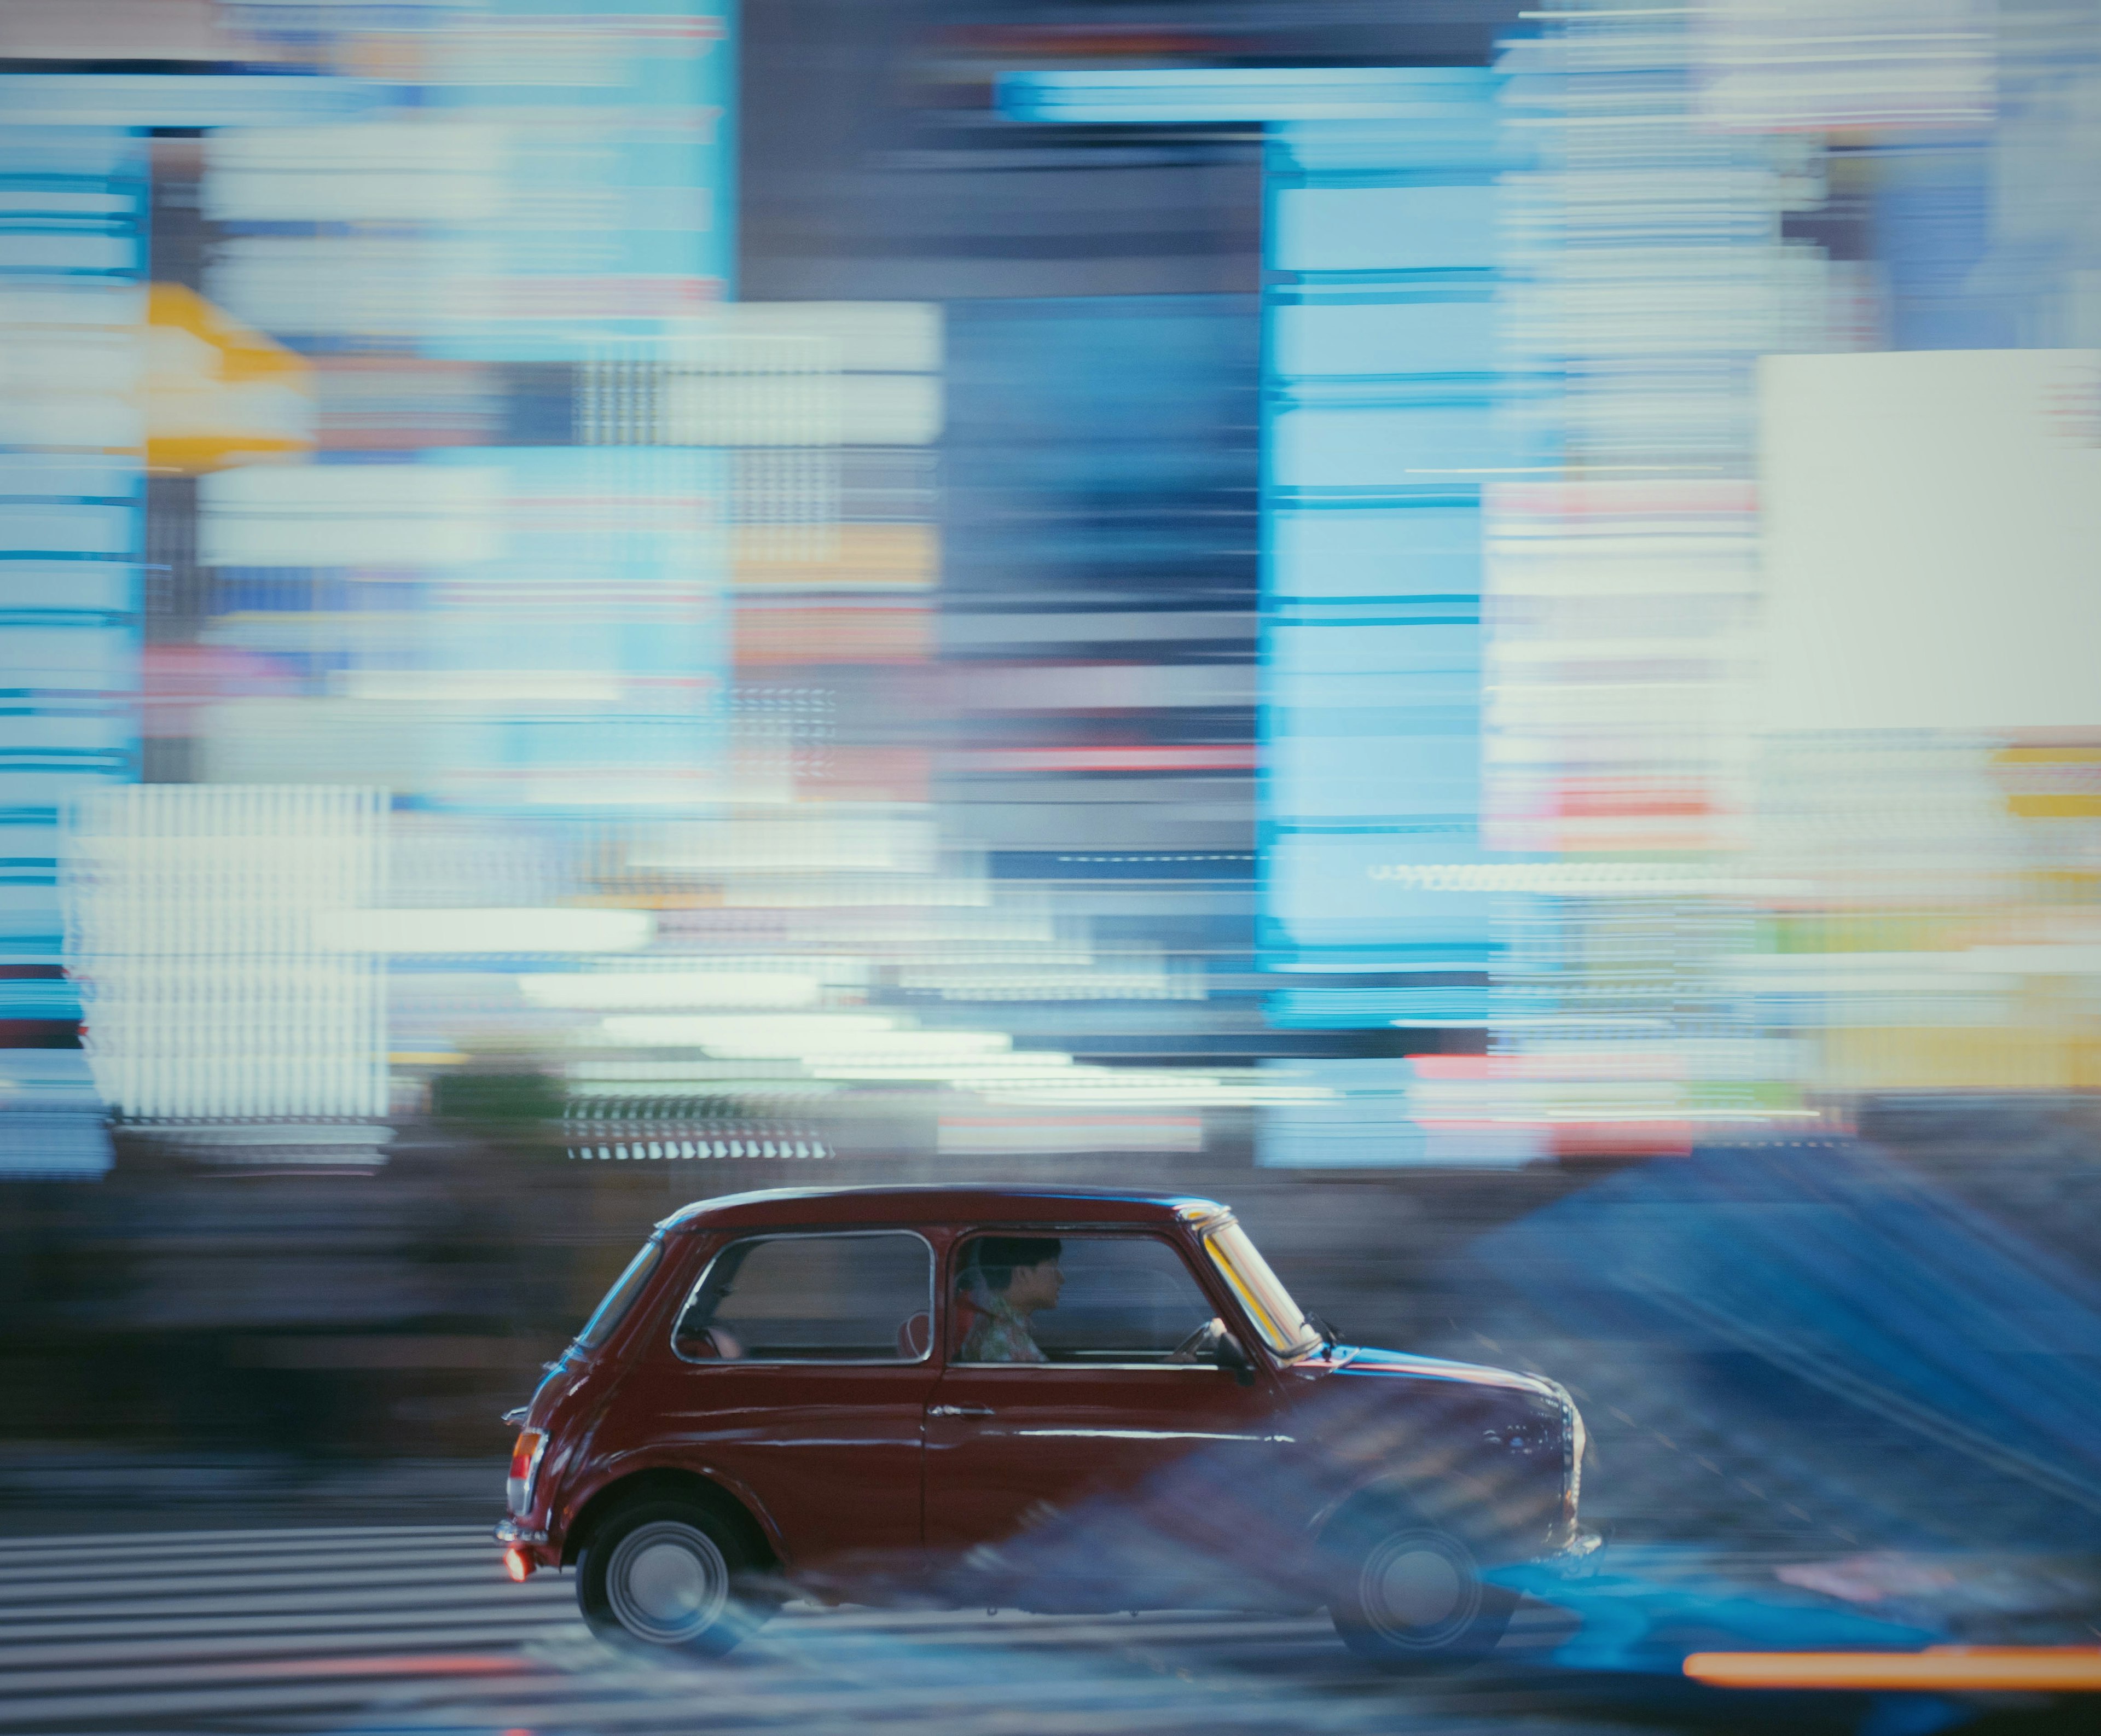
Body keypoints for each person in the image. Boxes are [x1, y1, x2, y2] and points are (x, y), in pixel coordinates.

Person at [957, 1236, 1063, 1363]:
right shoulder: (1001, 1341)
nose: (1061, 1278)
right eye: (1052, 1266)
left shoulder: (997, 1325)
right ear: (1023, 1274)